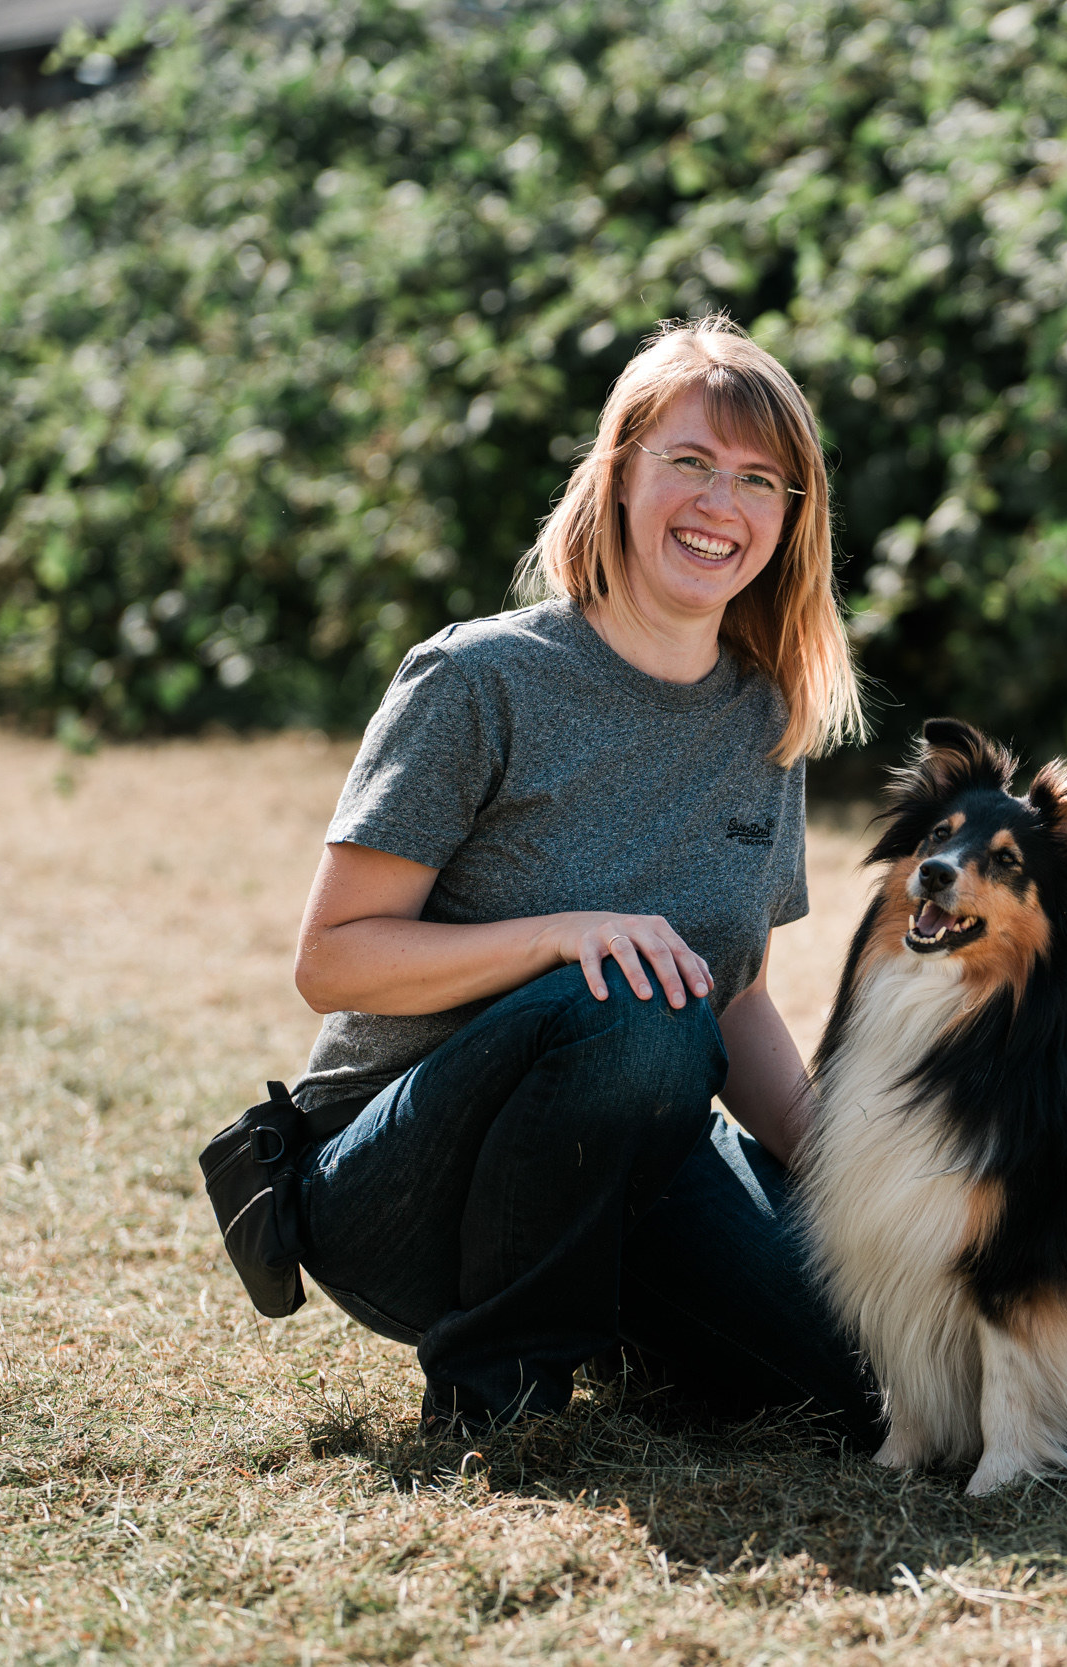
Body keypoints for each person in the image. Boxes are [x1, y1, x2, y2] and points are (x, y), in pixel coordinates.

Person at [284, 315, 877, 1439]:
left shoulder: (762, 716)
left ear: (791, 519)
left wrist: (846, 1171)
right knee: (638, 1004)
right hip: (395, 1182)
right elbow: (332, 961)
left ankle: (613, 1324)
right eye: (689, 463)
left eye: (760, 480)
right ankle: (500, 1393)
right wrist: (563, 934)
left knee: (844, 1390)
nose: (721, 505)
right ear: (617, 476)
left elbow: (735, 993)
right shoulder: (479, 678)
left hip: (627, 1161)